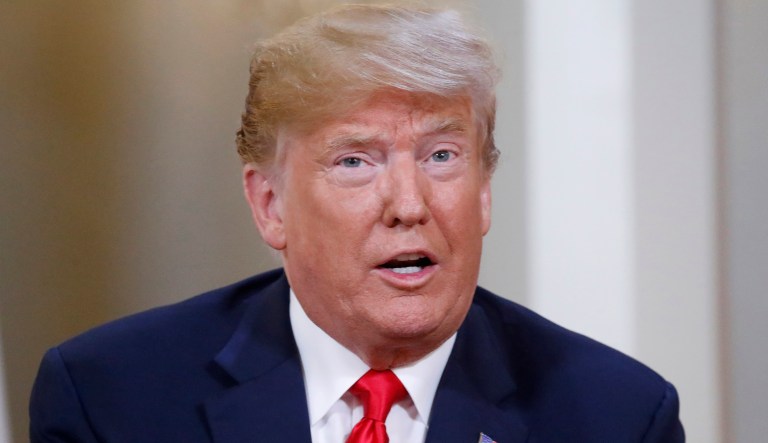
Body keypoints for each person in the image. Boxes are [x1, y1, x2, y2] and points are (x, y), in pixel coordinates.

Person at [29, 3, 684, 442]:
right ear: (270, 204)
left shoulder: (616, 416)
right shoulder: (110, 397)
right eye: (354, 161)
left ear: (484, 190)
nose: (409, 204)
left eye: (441, 155)